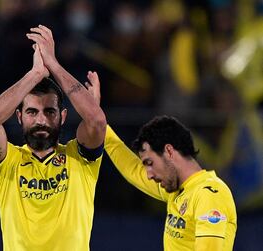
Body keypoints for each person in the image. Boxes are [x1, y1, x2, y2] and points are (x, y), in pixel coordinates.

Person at [0, 24, 106, 251]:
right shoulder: (8, 162)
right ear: (19, 116)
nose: (41, 120)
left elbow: (96, 121)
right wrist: (35, 74)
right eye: (32, 112)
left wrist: (53, 64)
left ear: (63, 116)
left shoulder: (80, 160)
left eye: (50, 111)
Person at [86, 75, 237, 250]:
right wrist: (98, 120)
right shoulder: (178, 191)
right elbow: (133, 169)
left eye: (150, 163)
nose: (148, 174)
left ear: (169, 152)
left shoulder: (210, 194)